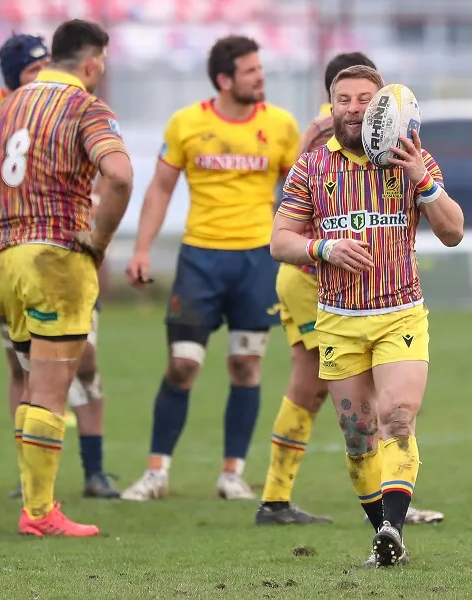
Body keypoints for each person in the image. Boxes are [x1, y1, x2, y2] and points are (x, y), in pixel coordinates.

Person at [271, 65, 464, 566]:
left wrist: (422, 180)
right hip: (337, 319)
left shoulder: (411, 158)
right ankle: (383, 532)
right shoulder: (311, 168)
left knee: (397, 419)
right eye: (344, 99)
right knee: (359, 438)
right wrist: (325, 247)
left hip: (400, 313)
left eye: (365, 100)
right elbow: (280, 241)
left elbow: (453, 231)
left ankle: (391, 531)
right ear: (330, 106)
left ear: (383, 107)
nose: (354, 109)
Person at [0, 18, 132, 537]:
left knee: (34, 381)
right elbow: (119, 176)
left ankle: (38, 504)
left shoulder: (7, 106)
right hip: (57, 257)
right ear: (92, 60)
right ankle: (38, 513)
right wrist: (97, 242)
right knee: (53, 388)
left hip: (7, 261)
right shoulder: (86, 107)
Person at [122, 36, 299, 501]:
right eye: (251, 70)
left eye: (261, 68)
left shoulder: (280, 126)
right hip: (200, 259)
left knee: (245, 365)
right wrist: (141, 250)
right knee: (182, 366)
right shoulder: (187, 123)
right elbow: (160, 189)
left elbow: (301, 195)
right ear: (225, 80)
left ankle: (231, 474)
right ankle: (156, 473)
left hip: (257, 261)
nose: (260, 77)